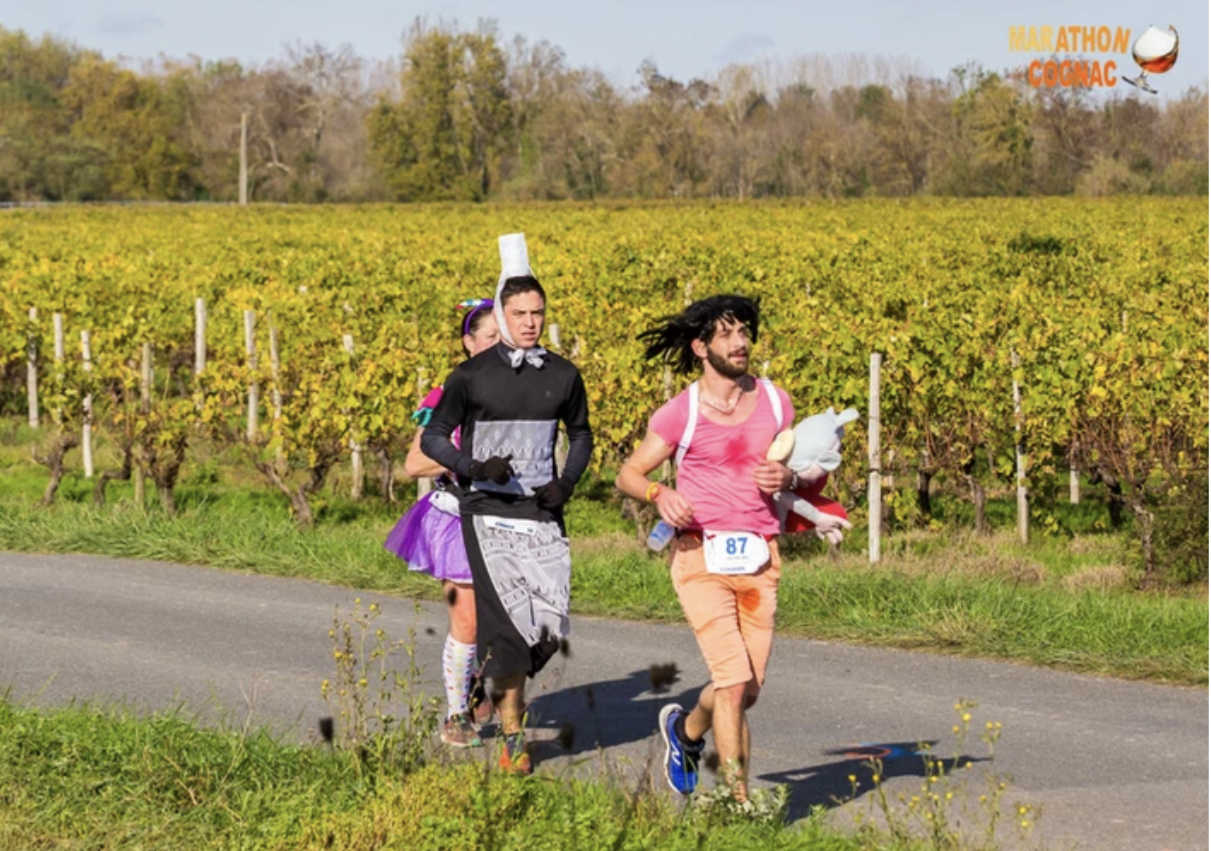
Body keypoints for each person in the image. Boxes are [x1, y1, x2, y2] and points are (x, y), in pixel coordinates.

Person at [616, 294, 827, 803]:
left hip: (760, 558)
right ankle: (740, 807)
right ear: (700, 347)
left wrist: (789, 475)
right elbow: (629, 473)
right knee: (731, 683)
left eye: (745, 333)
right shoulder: (680, 413)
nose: (741, 343)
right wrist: (659, 493)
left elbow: (811, 472)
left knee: (746, 690)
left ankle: (686, 734)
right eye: (728, 334)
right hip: (698, 558)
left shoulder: (777, 402)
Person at [421, 233, 593, 776]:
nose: (529, 323)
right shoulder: (470, 377)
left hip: (542, 512)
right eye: (519, 313)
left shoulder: (564, 375)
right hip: (485, 512)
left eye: (537, 313)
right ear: (502, 312)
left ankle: (494, 688)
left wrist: (565, 483)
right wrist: (474, 468)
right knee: (505, 630)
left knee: (547, 627)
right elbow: (432, 440)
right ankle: (514, 738)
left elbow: (583, 435)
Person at [384, 298, 499, 748]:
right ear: (469, 343)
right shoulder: (448, 395)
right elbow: (415, 462)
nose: (496, 346)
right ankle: (456, 717)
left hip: (510, 522)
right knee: (468, 623)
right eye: (489, 337)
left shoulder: (526, 392)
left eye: (502, 339)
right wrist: (465, 463)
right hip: (457, 520)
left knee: (505, 624)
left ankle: (473, 683)